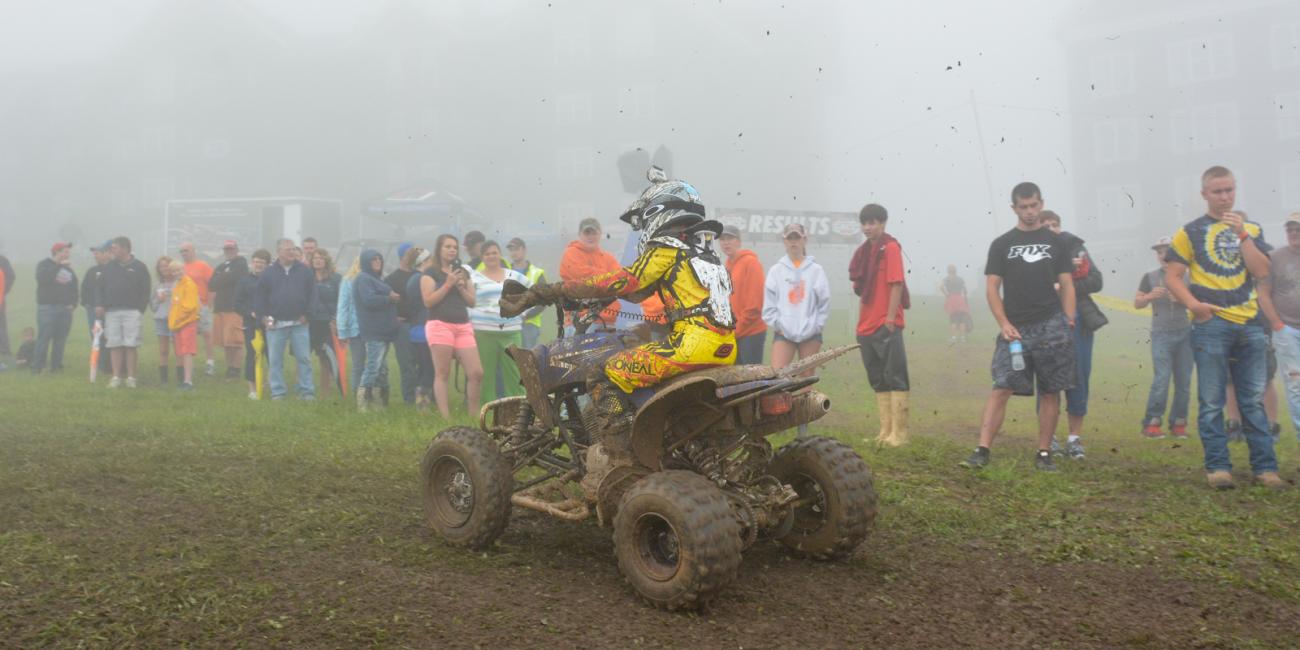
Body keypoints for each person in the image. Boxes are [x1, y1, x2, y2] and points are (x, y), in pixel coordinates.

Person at [501, 170, 736, 446]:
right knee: (635, 348)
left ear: (659, 211)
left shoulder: (667, 249)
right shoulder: (703, 252)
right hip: (724, 347)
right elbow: (638, 292)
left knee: (602, 373)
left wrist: (550, 291)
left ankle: (621, 451)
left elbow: (621, 281)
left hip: (690, 347)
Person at [1163, 166, 1284, 489]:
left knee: (1253, 400)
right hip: (1211, 325)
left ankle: (1265, 469)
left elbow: (1262, 272)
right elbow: (1172, 276)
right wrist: (1194, 305)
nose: (1225, 197)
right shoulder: (1189, 232)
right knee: (1212, 400)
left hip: (1251, 324)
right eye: (1217, 191)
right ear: (1204, 194)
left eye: (1229, 190)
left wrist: (1243, 234)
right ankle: (1218, 468)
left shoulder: (1252, 229)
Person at [960, 182, 1076, 472]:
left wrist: (1068, 319)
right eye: (1023, 207)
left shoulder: (1057, 242)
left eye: (1034, 205)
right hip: (1014, 328)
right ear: (1014, 208)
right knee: (1001, 388)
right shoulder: (1002, 244)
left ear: (1041, 203)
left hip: (1051, 325)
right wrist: (1004, 323)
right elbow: (991, 288)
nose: (1029, 212)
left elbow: (1068, 284)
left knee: (1050, 391)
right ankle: (982, 449)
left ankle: (1044, 452)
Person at [1039, 210, 1105, 461]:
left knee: (1079, 378)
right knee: (1048, 379)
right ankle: (1050, 437)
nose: (1051, 228)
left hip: (1079, 323)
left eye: (1055, 224)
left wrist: (1066, 287)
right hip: (1046, 321)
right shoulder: (1035, 253)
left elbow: (1097, 281)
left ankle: (1074, 438)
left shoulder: (1076, 247)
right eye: (1046, 225)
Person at [848, 204, 911, 447]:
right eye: (864, 223)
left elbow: (896, 283)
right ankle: (885, 431)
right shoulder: (864, 252)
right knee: (877, 377)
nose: (868, 227)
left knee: (895, 375)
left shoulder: (890, 248)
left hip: (886, 322)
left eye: (873, 222)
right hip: (865, 324)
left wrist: (890, 318)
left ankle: (901, 434)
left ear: (883, 223)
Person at [422, 234, 483, 419]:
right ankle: (445, 417)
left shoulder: (462, 272)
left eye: (454, 247)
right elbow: (428, 301)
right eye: (447, 246)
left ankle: (473, 415)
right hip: (440, 324)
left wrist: (462, 287)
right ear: (439, 249)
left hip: (463, 325)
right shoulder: (430, 272)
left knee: (476, 372)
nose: (451, 250)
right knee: (443, 372)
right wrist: (447, 284)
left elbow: (472, 302)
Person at [1136, 237, 1192, 438]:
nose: (1164, 256)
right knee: (1162, 378)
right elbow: (1137, 302)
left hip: (1185, 332)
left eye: (1168, 252)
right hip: (1160, 333)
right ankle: (1152, 421)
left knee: (1184, 381)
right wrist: (1150, 297)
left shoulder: (1187, 277)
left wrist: (1181, 298)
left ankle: (1179, 422)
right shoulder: (1150, 277)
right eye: (1160, 252)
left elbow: (1197, 303)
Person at [763, 223, 831, 387]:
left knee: (806, 381)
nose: (794, 242)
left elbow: (824, 301)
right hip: (784, 333)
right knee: (777, 377)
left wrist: (817, 325)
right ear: (784, 241)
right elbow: (769, 304)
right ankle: (780, 412)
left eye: (797, 238)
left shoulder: (816, 270)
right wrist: (778, 325)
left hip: (811, 334)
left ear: (804, 239)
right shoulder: (776, 271)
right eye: (790, 238)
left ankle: (806, 411)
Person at [255, 238, 317, 401]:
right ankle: (278, 392)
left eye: (293, 249)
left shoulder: (305, 271)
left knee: (304, 359)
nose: (291, 252)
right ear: (279, 252)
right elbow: (260, 297)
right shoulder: (268, 273)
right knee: (275, 360)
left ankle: (307, 391)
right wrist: (264, 318)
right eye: (287, 249)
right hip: (276, 325)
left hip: (299, 324)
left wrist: (308, 314)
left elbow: (312, 294)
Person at [1257, 213, 1300, 445]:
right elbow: (1263, 293)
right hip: (1287, 329)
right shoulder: (1274, 257)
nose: (1294, 233)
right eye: (1290, 229)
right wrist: (1276, 323)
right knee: (1295, 383)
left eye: (1298, 229)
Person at [470, 240, 528, 401]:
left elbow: (532, 294)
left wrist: (523, 313)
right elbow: (468, 302)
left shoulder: (514, 275)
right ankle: (487, 408)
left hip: (511, 331)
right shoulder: (474, 277)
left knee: (514, 371)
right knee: (486, 373)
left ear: (500, 254)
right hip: (483, 332)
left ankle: (516, 408)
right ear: (482, 257)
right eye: (487, 253)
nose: (491, 256)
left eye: (494, 252)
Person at [95, 236, 151, 389]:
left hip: (132, 311)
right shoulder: (109, 267)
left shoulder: (139, 267)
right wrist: (100, 304)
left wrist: (140, 309)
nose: (112, 250)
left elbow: (146, 290)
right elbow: (100, 287)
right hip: (112, 311)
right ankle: (116, 377)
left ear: (125, 248)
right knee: (115, 344)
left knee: (131, 344)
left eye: (115, 247)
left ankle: (131, 377)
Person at [354, 249, 401, 411]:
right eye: (373, 259)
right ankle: (363, 403)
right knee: (374, 366)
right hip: (373, 329)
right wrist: (389, 298)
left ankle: (380, 404)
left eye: (379, 259)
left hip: (383, 329)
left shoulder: (377, 279)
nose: (377, 262)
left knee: (382, 369)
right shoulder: (363, 278)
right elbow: (368, 300)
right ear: (366, 262)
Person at [558, 217, 622, 331]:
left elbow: (620, 281)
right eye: (587, 233)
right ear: (579, 234)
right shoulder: (570, 253)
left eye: (594, 233)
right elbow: (580, 275)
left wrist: (601, 280)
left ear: (600, 234)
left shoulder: (609, 258)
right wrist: (607, 276)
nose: (591, 237)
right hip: (579, 324)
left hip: (608, 322)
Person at [720, 225, 767, 364]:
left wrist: (736, 330)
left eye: (730, 238)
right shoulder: (726, 266)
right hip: (734, 332)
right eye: (722, 239)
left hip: (751, 333)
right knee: (734, 379)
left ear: (739, 241)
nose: (726, 242)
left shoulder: (751, 263)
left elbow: (755, 305)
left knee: (752, 381)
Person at [32, 241, 79, 374]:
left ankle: (56, 366)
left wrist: (73, 303)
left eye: (68, 252)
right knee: (44, 338)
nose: (68, 254)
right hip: (47, 308)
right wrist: (58, 265)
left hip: (65, 309)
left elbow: (74, 287)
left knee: (60, 339)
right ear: (56, 252)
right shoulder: (44, 265)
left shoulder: (68, 269)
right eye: (65, 251)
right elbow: (43, 279)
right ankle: (38, 367)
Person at [385, 244, 421, 405]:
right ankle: (409, 399)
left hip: (420, 324)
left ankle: (424, 397)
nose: (413, 255)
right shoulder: (391, 279)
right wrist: (393, 318)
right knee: (407, 364)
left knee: (423, 363)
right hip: (403, 326)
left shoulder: (421, 276)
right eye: (409, 253)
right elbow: (387, 303)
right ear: (401, 256)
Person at [209, 240, 248, 379]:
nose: (229, 251)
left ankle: (235, 369)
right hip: (220, 308)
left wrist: (222, 278)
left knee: (235, 341)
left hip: (234, 308)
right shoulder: (221, 266)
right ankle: (229, 368)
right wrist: (225, 277)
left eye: (231, 249)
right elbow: (211, 285)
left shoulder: (241, 264)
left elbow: (235, 277)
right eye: (226, 249)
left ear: (237, 250)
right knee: (225, 342)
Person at [405, 250, 437, 410]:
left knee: (424, 366)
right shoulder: (421, 279)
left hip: (417, 329)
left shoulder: (412, 279)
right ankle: (423, 403)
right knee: (428, 367)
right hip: (425, 330)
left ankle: (426, 400)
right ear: (424, 261)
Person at [238, 249, 272, 399]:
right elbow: (237, 303)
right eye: (256, 262)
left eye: (262, 263)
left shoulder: (272, 279)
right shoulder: (244, 280)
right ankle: (253, 388)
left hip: (269, 322)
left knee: (272, 354)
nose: (258, 265)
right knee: (252, 355)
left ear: (267, 265)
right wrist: (250, 312)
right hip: (250, 323)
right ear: (252, 262)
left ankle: (273, 384)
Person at [178, 242, 215, 376]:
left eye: (186, 250)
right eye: (181, 251)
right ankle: (188, 365)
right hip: (186, 307)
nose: (183, 253)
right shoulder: (181, 268)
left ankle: (210, 362)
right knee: (188, 335)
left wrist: (209, 303)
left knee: (207, 333)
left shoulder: (203, 266)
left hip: (202, 304)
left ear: (193, 251)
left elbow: (213, 284)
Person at [308, 249, 342, 396]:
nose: (318, 260)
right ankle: (314, 389)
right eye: (315, 258)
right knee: (311, 356)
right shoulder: (307, 278)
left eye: (321, 258)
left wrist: (336, 319)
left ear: (326, 260)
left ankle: (334, 389)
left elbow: (341, 301)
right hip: (311, 322)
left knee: (329, 357)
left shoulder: (335, 279)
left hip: (329, 323)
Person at [505, 237, 548, 348]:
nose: (513, 253)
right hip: (508, 324)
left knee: (527, 360)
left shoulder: (537, 273)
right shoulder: (504, 272)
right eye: (511, 250)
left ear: (524, 250)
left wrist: (527, 316)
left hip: (529, 324)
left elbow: (544, 300)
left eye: (516, 249)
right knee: (509, 360)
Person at [336, 258, 369, 395]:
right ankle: (358, 395)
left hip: (374, 327)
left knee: (378, 365)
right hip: (356, 329)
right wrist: (342, 331)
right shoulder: (348, 280)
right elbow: (343, 306)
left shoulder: (378, 279)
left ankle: (373, 393)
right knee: (358, 364)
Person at [167, 259, 200, 390]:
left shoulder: (189, 284)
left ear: (183, 269)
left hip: (187, 323)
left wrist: (178, 321)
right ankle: (184, 380)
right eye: (174, 271)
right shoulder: (178, 285)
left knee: (187, 352)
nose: (177, 273)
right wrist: (174, 322)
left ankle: (188, 381)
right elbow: (174, 305)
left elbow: (189, 307)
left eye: (179, 270)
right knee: (181, 352)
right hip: (178, 325)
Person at [82, 242, 113, 376]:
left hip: (111, 310)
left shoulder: (115, 269)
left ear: (107, 253)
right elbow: (84, 289)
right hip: (93, 311)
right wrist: (88, 304)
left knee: (111, 337)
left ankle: (113, 365)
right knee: (97, 337)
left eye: (98, 252)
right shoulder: (92, 271)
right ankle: (100, 365)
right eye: (94, 253)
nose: (95, 255)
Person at [149, 256, 178, 384]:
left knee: (179, 349)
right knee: (163, 350)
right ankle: (164, 380)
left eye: (166, 265)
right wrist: (158, 301)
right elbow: (153, 305)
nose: (164, 269)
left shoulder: (179, 282)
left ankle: (181, 377)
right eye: (161, 266)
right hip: (161, 319)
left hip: (177, 319)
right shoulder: (158, 285)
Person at [940, 265, 973, 342]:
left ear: (948, 271)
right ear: (956, 271)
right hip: (960, 299)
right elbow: (965, 290)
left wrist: (946, 294)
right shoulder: (960, 279)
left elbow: (941, 287)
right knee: (962, 320)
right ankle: (962, 338)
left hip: (951, 300)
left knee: (953, 319)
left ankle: (954, 338)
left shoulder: (946, 279)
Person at [0, 252, 12, 370]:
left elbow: (10, 277)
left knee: (1, 325)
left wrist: (3, 292)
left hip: (0, 299)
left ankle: (4, 349)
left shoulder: (2, 260)